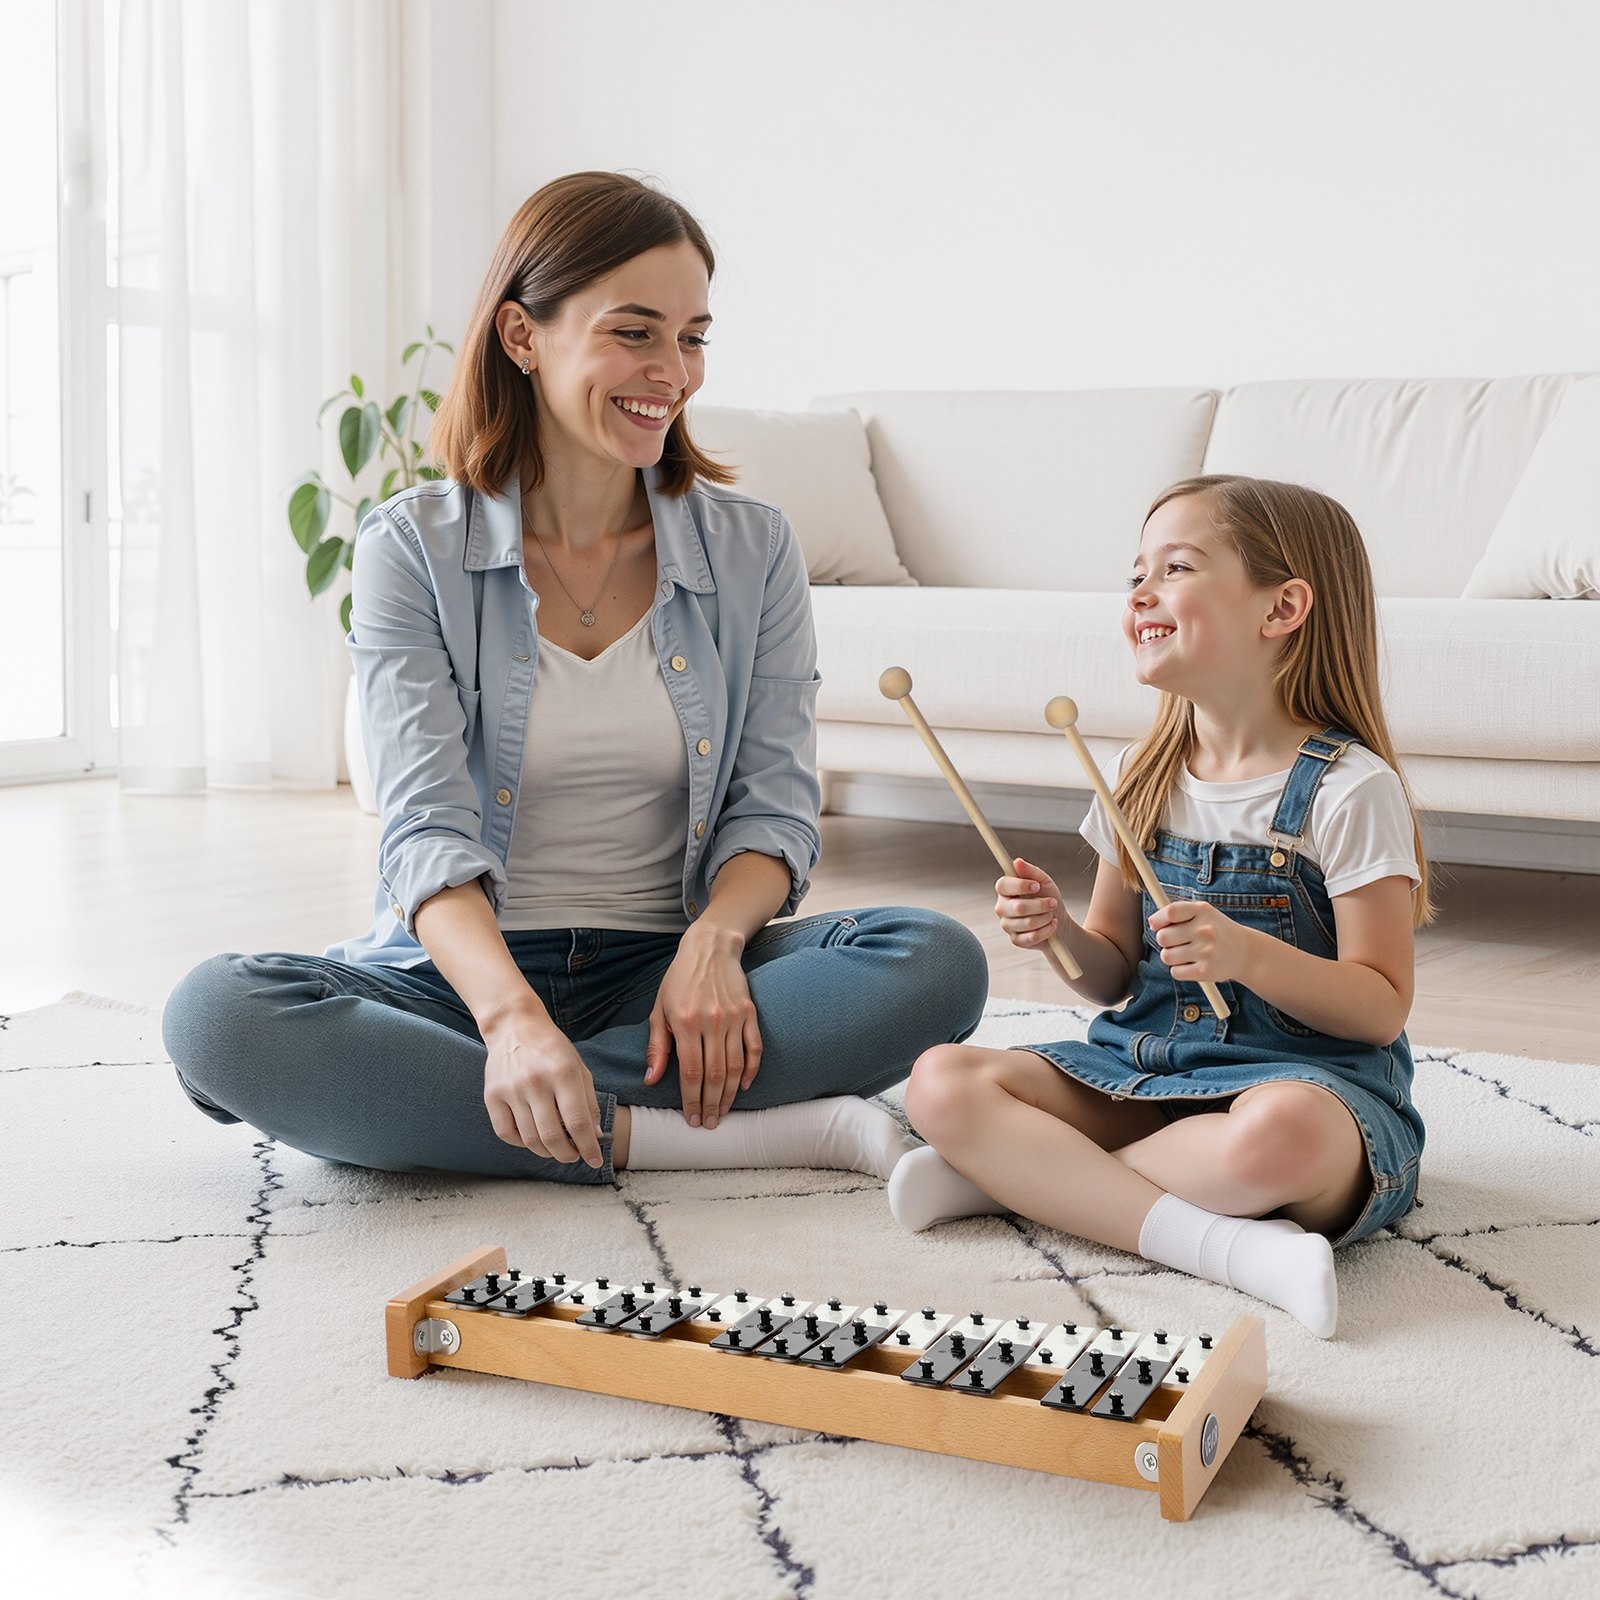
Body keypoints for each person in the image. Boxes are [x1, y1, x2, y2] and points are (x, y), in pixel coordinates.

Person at [163, 172, 986, 1185]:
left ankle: (473, 1110)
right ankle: (697, 1132)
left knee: (936, 961)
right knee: (218, 1017)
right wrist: (511, 1020)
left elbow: (774, 805)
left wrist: (715, 944)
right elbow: (423, 831)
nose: (671, 373)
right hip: (462, 983)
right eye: (634, 332)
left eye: (692, 338)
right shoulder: (412, 548)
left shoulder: (754, 547)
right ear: (522, 334)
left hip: (668, 981)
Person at [886, 476, 1431, 1339]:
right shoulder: (1137, 774)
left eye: (1175, 568)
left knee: (1282, 1136)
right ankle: (1222, 1244)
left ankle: (1020, 1180)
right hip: (1147, 1077)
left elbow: (1380, 1007)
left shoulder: (1350, 789)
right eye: (1136, 573)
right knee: (940, 1082)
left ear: (1283, 607)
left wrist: (1248, 955)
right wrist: (1058, 933)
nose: (1141, 592)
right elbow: (1109, 974)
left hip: (1308, 1089)